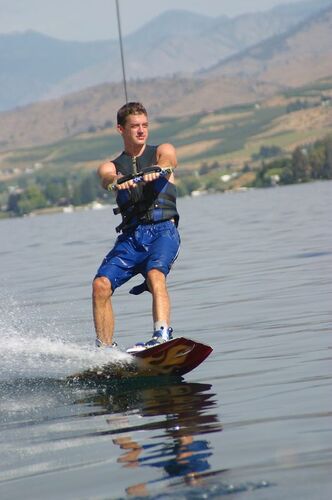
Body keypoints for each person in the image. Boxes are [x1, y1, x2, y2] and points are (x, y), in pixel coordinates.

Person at [92, 102, 180, 352]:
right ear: (121, 129)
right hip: (131, 238)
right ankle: (105, 349)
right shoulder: (112, 165)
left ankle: (162, 334)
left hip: (163, 231)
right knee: (100, 285)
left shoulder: (161, 151)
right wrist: (117, 182)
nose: (141, 131)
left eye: (145, 125)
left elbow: (169, 160)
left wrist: (158, 170)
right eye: (134, 126)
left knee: (155, 275)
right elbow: (106, 177)